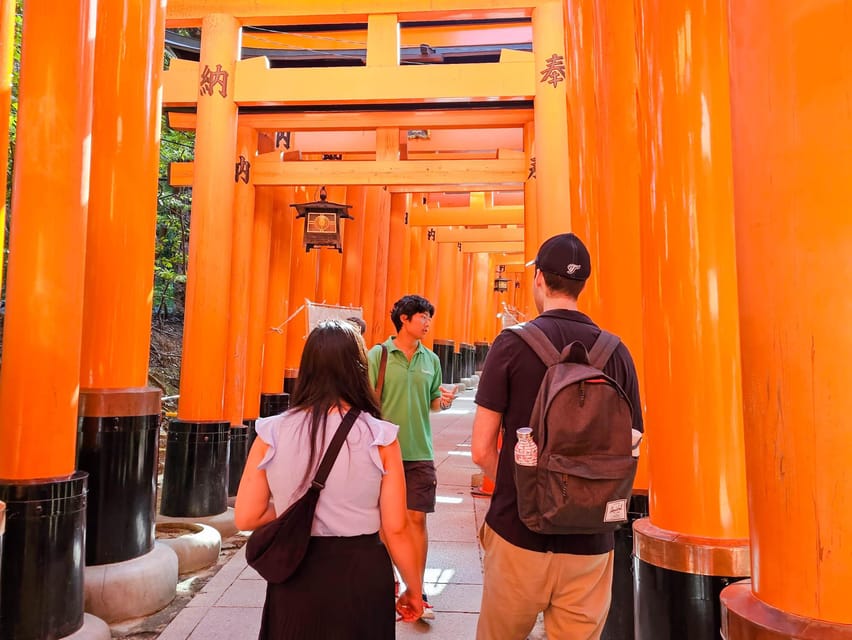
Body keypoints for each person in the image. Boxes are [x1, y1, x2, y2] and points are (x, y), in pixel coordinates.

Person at [471, 233, 643, 640]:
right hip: (591, 540)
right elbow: (632, 442)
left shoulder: (511, 345)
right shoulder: (616, 353)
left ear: (539, 281)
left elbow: (481, 450)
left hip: (518, 533)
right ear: (583, 286)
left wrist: (525, 489)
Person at [235, 320, 423, 639]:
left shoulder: (271, 433)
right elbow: (396, 527)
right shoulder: (381, 437)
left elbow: (246, 516)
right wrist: (414, 588)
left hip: (296, 569)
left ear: (307, 368)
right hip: (361, 572)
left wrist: (293, 508)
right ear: (358, 369)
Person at [367, 294, 455, 620]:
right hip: (383, 450)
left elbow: (433, 404)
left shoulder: (431, 360)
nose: (428, 322)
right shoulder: (378, 355)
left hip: (420, 451)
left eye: (429, 317)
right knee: (386, 524)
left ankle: (417, 589)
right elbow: (365, 401)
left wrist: (443, 401)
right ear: (404, 319)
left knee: (417, 520)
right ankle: (387, 582)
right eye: (422, 316)